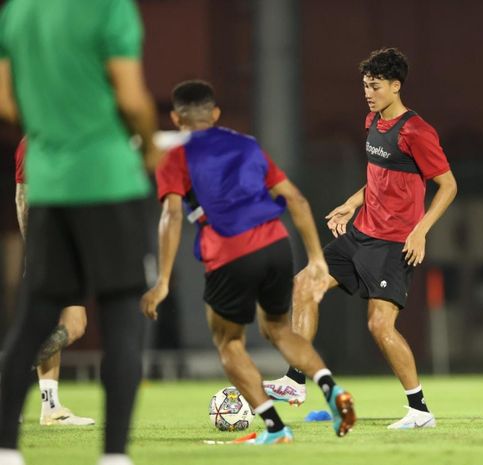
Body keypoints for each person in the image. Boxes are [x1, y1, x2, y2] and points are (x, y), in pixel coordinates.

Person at [141, 80, 356, 445]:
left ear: (176, 118)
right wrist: (317, 259)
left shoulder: (176, 157)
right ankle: (331, 388)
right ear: (216, 114)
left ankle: (275, 428)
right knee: (280, 331)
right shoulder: (247, 145)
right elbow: (298, 201)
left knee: (229, 344)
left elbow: (172, 216)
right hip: (276, 244)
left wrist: (162, 280)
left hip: (229, 251)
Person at [0, 0, 161, 464]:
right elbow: (132, 100)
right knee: (121, 321)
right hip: (107, 179)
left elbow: (8, 100)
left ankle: (7, 448)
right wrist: (149, 149)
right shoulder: (109, 7)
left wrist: (54, 126)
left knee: (34, 317)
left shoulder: (18, 12)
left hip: (46, 182)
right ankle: (113, 455)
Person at [263, 47, 458, 429]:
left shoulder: (417, 131)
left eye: (375, 86)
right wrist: (352, 204)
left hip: (392, 244)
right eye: (365, 86)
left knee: (379, 326)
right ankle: (295, 380)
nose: (368, 93)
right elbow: (377, 180)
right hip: (360, 234)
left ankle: (419, 410)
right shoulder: (372, 120)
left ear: (396, 86)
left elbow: (448, 185)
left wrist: (420, 231)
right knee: (304, 284)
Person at [14, 138, 94, 426]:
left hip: (62, 248)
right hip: (54, 250)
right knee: (74, 325)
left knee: (56, 326)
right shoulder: (37, 140)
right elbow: (23, 197)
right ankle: (12, 366)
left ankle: (50, 408)